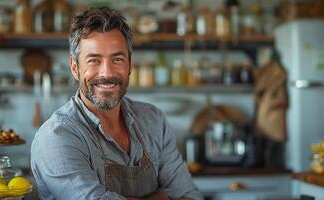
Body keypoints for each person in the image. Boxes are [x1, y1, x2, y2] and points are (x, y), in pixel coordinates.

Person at [30, 7, 202, 200]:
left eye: (117, 59)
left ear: (130, 65)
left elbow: (189, 195)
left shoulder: (153, 120)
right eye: (94, 60)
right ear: (74, 68)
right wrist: (161, 197)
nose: (107, 73)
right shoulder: (56, 137)